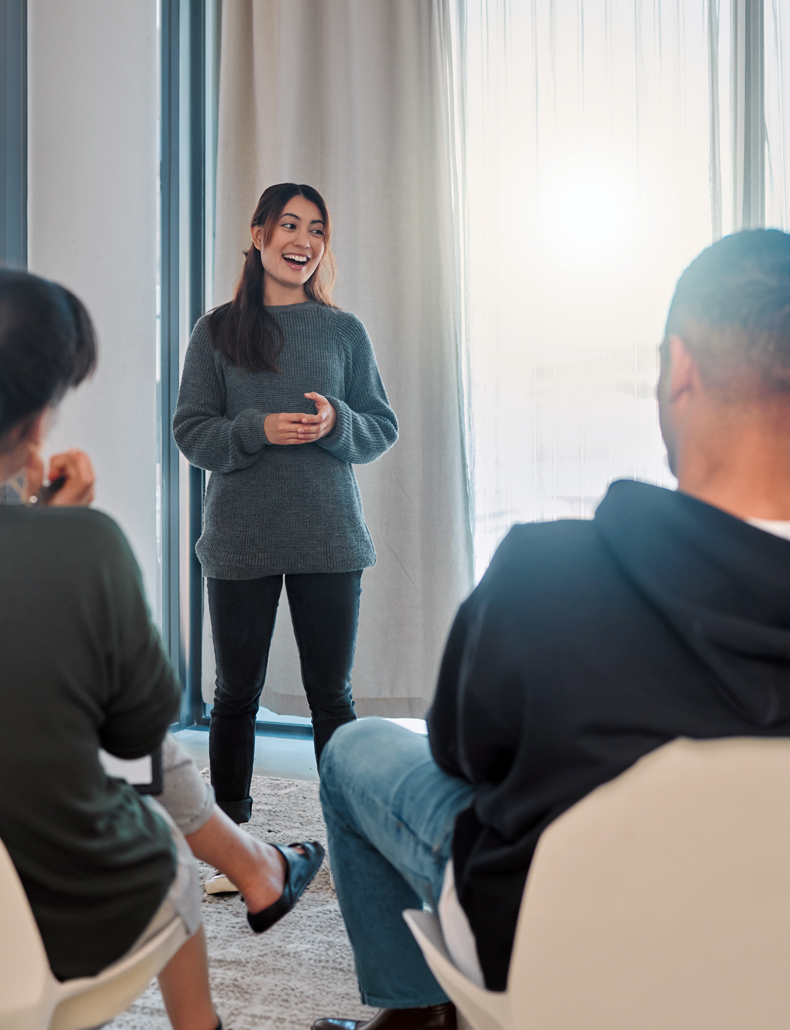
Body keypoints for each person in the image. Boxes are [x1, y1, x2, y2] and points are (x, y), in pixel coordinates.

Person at [312, 228, 790, 1030]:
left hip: (539, 953)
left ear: (679, 369)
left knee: (354, 749)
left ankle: (416, 1017)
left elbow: (465, 757)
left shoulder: (545, 571)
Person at [0, 268, 323, 1030]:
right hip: (56, 931)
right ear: (35, 423)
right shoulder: (82, 547)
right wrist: (60, 536)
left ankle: (252, 867)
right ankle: (205, 1011)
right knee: (155, 828)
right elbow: (133, 745)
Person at [173, 183, 398, 833]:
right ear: (259, 234)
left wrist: (337, 421)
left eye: (317, 229)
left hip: (328, 538)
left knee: (332, 696)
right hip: (240, 539)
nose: (304, 241)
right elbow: (192, 432)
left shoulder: (343, 331)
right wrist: (256, 431)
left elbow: (381, 427)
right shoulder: (215, 332)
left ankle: (348, 828)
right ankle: (231, 830)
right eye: (291, 225)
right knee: (234, 695)